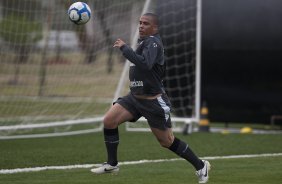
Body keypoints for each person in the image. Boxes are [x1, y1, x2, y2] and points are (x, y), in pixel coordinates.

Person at [91, 13, 211, 183]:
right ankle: (112, 164)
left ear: (155, 28)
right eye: (140, 22)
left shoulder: (154, 42)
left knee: (167, 141)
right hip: (134, 99)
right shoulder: (144, 42)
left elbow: (145, 64)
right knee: (109, 120)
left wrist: (125, 49)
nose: (141, 26)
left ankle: (201, 165)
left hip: (153, 102)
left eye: (145, 23)